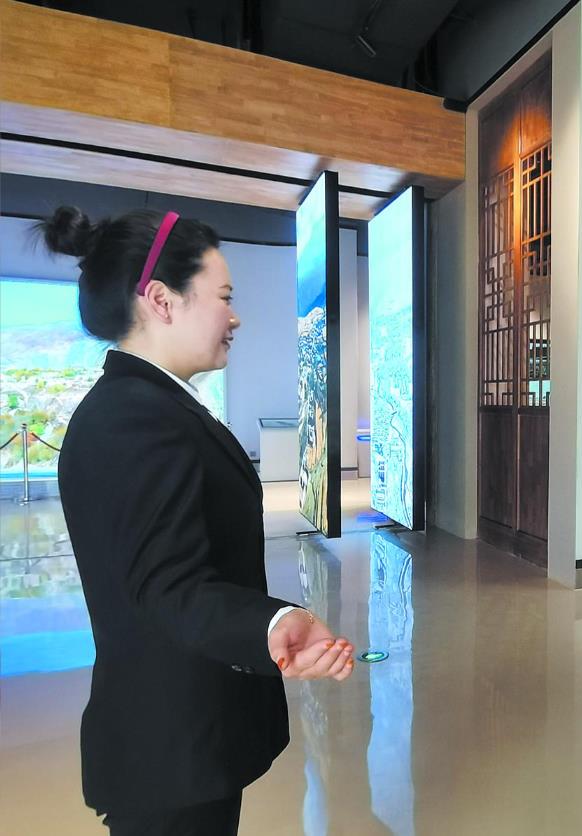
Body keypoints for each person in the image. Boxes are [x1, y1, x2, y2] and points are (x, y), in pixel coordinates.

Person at [39, 206, 355, 835]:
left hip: (186, 737)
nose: (236, 316)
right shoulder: (133, 418)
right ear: (162, 300)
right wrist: (273, 623)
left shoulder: (153, 406)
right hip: (168, 745)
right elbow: (167, 585)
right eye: (224, 296)